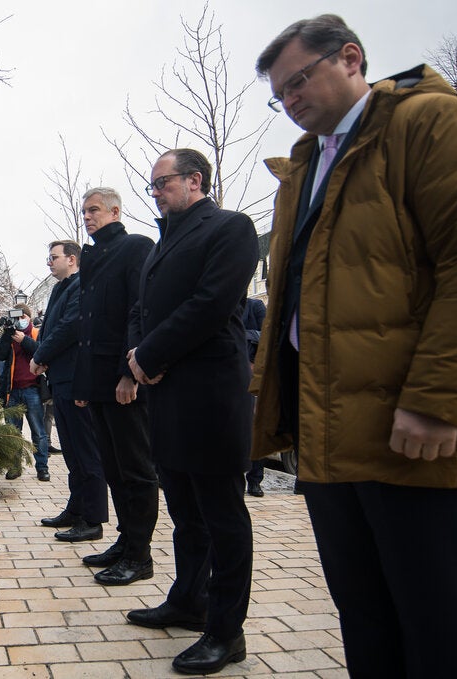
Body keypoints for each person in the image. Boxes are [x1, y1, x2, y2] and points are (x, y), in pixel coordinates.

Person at [250, 15, 457, 679]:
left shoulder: (433, 126)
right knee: (363, 614)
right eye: (280, 94)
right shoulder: (308, 166)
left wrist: (436, 400)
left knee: (434, 621)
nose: (291, 100)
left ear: (352, 59)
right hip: (330, 430)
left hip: (409, 427)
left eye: (299, 80)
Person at [126, 148, 258, 675]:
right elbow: (143, 309)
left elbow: (209, 304)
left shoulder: (230, 228)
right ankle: (188, 600)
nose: (154, 192)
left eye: (161, 183)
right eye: (151, 186)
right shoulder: (164, 241)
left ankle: (227, 631)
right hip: (167, 393)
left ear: (194, 180)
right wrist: (137, 359)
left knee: (222, 516)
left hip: (209, 394)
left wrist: (149, 355)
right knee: (184, 511)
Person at [71, 187, 158, 583]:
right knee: (113, 466)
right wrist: (85, 384)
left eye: (94, 210)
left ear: (115, 211)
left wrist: (130, 372)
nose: (87, 217)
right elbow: (88, 327)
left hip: (124, 379)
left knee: (135, 468)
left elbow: (138, 310)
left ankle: (140, 555)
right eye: (84, 211)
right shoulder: (93, 259)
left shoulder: (135, 247)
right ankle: (125, 541)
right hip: (99, 382)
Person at [30, 241, 108, 545]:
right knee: (73, 452)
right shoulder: (60, 288)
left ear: (72, 259)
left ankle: (93, 519)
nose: (49, 262)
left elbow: (69, 327)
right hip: (60, 379)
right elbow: (50, 329)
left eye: (54, 257)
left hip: (78, 379)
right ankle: (76, 510)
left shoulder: (81, 286)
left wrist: (40, 356)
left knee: (86, 451)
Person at [0, 303, 49, 481]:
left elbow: (42, 351)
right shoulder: (10, 335)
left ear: (28, 317)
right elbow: (0, 355)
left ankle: (42, 467)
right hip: (13, 390)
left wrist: (23, 340)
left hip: (32, 389)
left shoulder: (35, 333)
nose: (20, 321)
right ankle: (14, 467)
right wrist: (7, 334)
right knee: (13, 432)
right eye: (16, 318)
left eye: (22, 317)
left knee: (38, 431)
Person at [242, 297, 267, 497]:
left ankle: (255, 480)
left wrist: (240, 336)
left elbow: (266, 335)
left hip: (254, 376)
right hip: (230, 375)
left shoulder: (255, 306)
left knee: (255, 428)